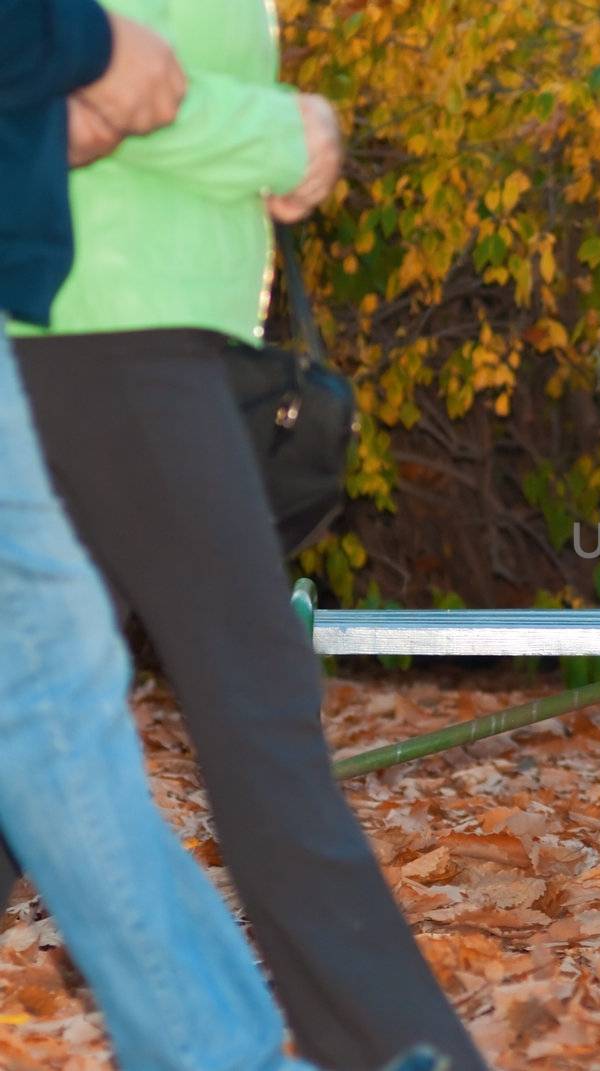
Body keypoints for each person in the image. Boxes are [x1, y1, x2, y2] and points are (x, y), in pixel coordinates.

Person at [2, 2, 489, 1069]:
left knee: (42, 722)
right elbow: (82, 80)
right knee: (252, 706)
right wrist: (287, 134)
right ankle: (400, 1046)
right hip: (105, 325)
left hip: (146, 330)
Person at [0, 3, 323, 1069]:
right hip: (89, 332)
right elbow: (118, 92)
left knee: (52, 705)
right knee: (66, 701)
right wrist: (82, 53)